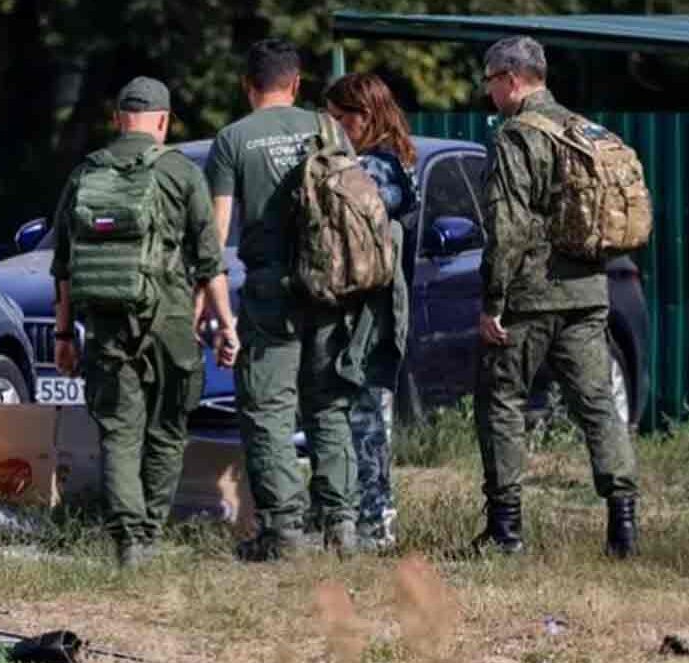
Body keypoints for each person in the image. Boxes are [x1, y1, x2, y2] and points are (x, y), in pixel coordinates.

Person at [51, 76, 240, 568]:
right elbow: (209, 262)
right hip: (171, 322)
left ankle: (127, 540)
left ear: (118, 120)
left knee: (118, 432)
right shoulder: (181, 173)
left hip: (108, 325)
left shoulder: (85, 173)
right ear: (163, 121)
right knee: (167, 429)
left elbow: (64, 271)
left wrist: (64, 335)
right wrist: (227, 326)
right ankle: (150, 531)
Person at [473, 36, 640, 558]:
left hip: (529, 296)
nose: (489, 91)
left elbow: (509, 225)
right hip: (589, 291)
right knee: (597, 408)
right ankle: (624, 528)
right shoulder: (581, 129)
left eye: (490, 81)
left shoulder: (516, 135)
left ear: (513, 79)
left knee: (501, 403)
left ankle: (506, 531)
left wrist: (493, 300)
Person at [206, 39, 362, 559]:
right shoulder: (330, 130)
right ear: (296, 84)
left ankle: (284, 532)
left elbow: (217, 235)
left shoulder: (232, 140)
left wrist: (213, 309)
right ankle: (341, 526)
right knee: (328, 405)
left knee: (268, 410)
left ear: (247, 86)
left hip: (272, 292)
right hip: (332, 288)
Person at [322, 72, 417, 553]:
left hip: (371, 315)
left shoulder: (379, 169)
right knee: (359, 417)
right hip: (364, 312)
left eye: (342, 118)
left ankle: (375, 524)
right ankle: (359, 520)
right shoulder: (383, 163)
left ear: (367, 115)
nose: (335, 127)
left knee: (367, 421)